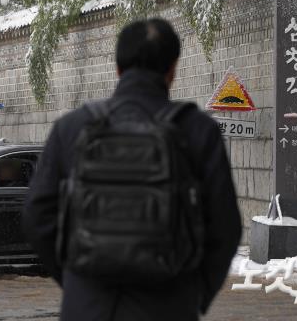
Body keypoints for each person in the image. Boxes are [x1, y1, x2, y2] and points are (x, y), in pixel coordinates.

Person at [23, 18, 242, 320]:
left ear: (118, 69)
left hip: (88, 306)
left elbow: (37, 216)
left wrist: (78, 281)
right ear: (172, 70)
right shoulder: (197, 130)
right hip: (169, 305)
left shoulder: (72, 128)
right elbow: (225, 228)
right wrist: (194, 294)